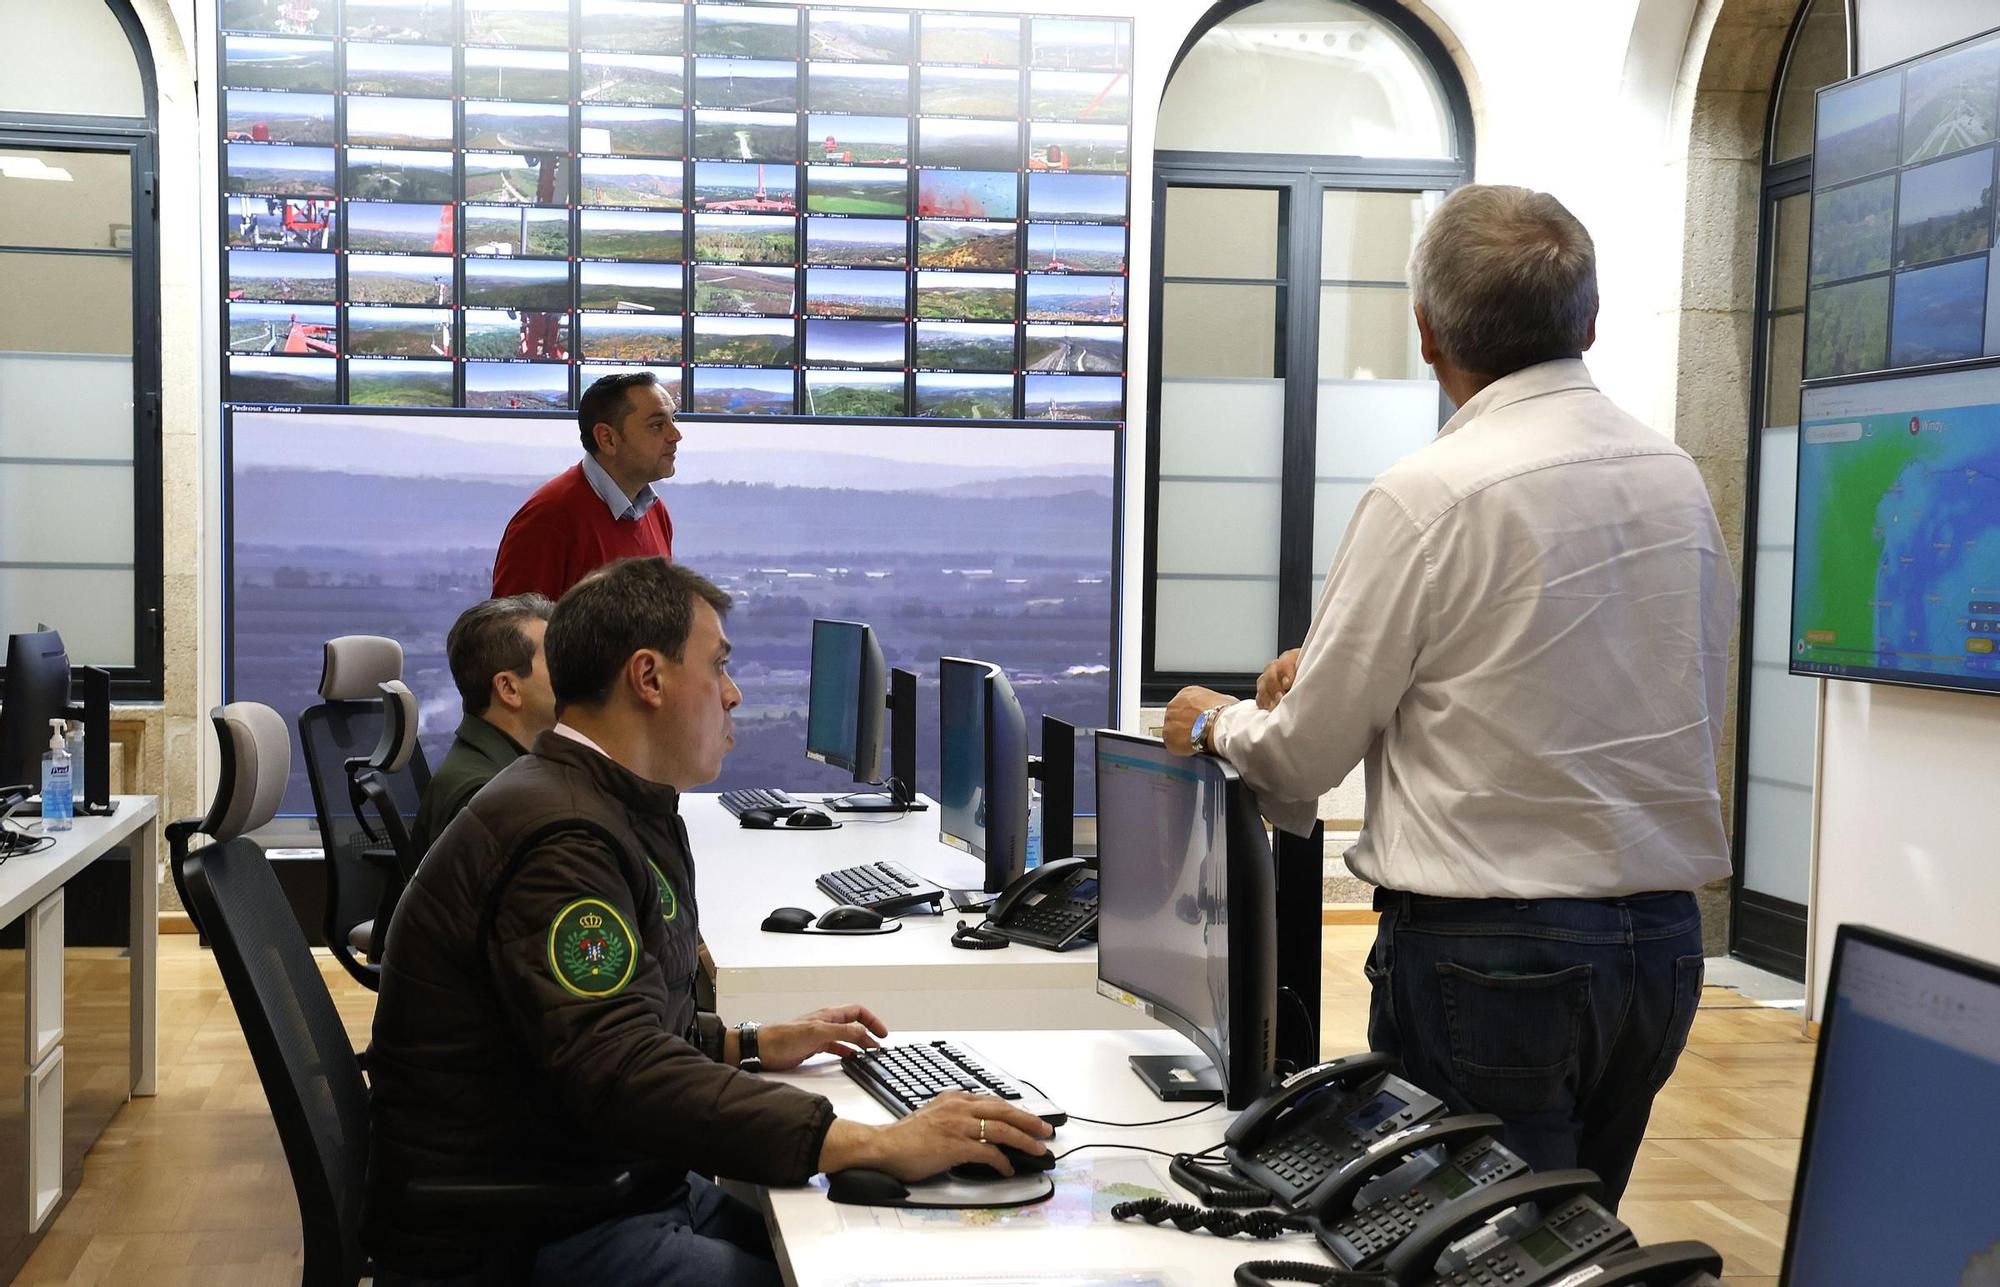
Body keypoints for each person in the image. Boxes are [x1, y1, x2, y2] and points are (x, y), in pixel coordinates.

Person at [1163, 184, 1737, 1210]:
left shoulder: (1428, 491)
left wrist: (1213, 720)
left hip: (1490, 956)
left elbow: (1299, 760)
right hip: (1656, 947)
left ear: (1425, 334)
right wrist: (1354, 672)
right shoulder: (1675, 477)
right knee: (1569, 1252)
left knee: (1465, 1253)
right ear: (1589, 323)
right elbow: (1596, 672)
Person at [368, 558, 1051, 1285]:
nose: (734, 692)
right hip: (527, 1230)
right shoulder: (564, 842)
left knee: (855, 1241)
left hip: (594, 1180)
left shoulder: (605, 804)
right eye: (718, 665)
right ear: (649, 678)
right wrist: (869, 1141)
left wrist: (749, 1040)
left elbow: (607, 1025)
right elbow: (620, 1068)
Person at [491, 372, 680, 601]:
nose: (676, 435)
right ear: (607, 439)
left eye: (674, 419)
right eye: (657, 425)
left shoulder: (656, 513)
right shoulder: (548, 520)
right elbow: (513, 634)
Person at [408, 593, 556, 858]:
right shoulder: (490, 798)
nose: (569, 671)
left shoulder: (498, 772)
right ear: (509, 688)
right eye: (555, 659)